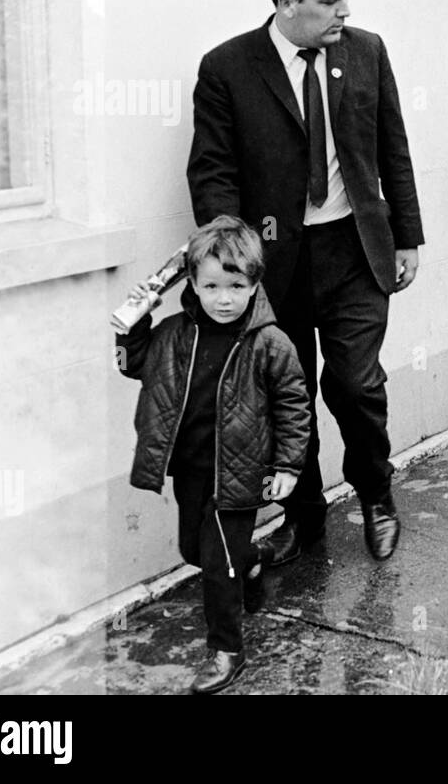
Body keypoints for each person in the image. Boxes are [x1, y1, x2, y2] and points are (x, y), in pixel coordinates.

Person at [187, 0, 424, 563]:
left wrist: (408, 237)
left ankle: (376, 494)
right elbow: (213, 172)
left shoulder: (367, 52)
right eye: (331, 1)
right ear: (288, 4)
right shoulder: (227, 69)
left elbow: (391, 148)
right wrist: (230, 265)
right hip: (274, 263)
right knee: (282, 393)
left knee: (354, 385)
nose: (346, 12)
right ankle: (304, 515)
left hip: (355, 250)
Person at [116, 216, 310, 694]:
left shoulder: (270, 342)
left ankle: (227, 649)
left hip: (240, 475)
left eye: (236, 285)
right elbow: (134, 365)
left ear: (254, 283)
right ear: (194, 285)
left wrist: (287, 466)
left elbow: (294, 404)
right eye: (212, 286)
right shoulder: (176, 334)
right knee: (193, 551)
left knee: (218, 566)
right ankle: (252, 561)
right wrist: (133, 322)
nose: (224, 298)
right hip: (191, 469)